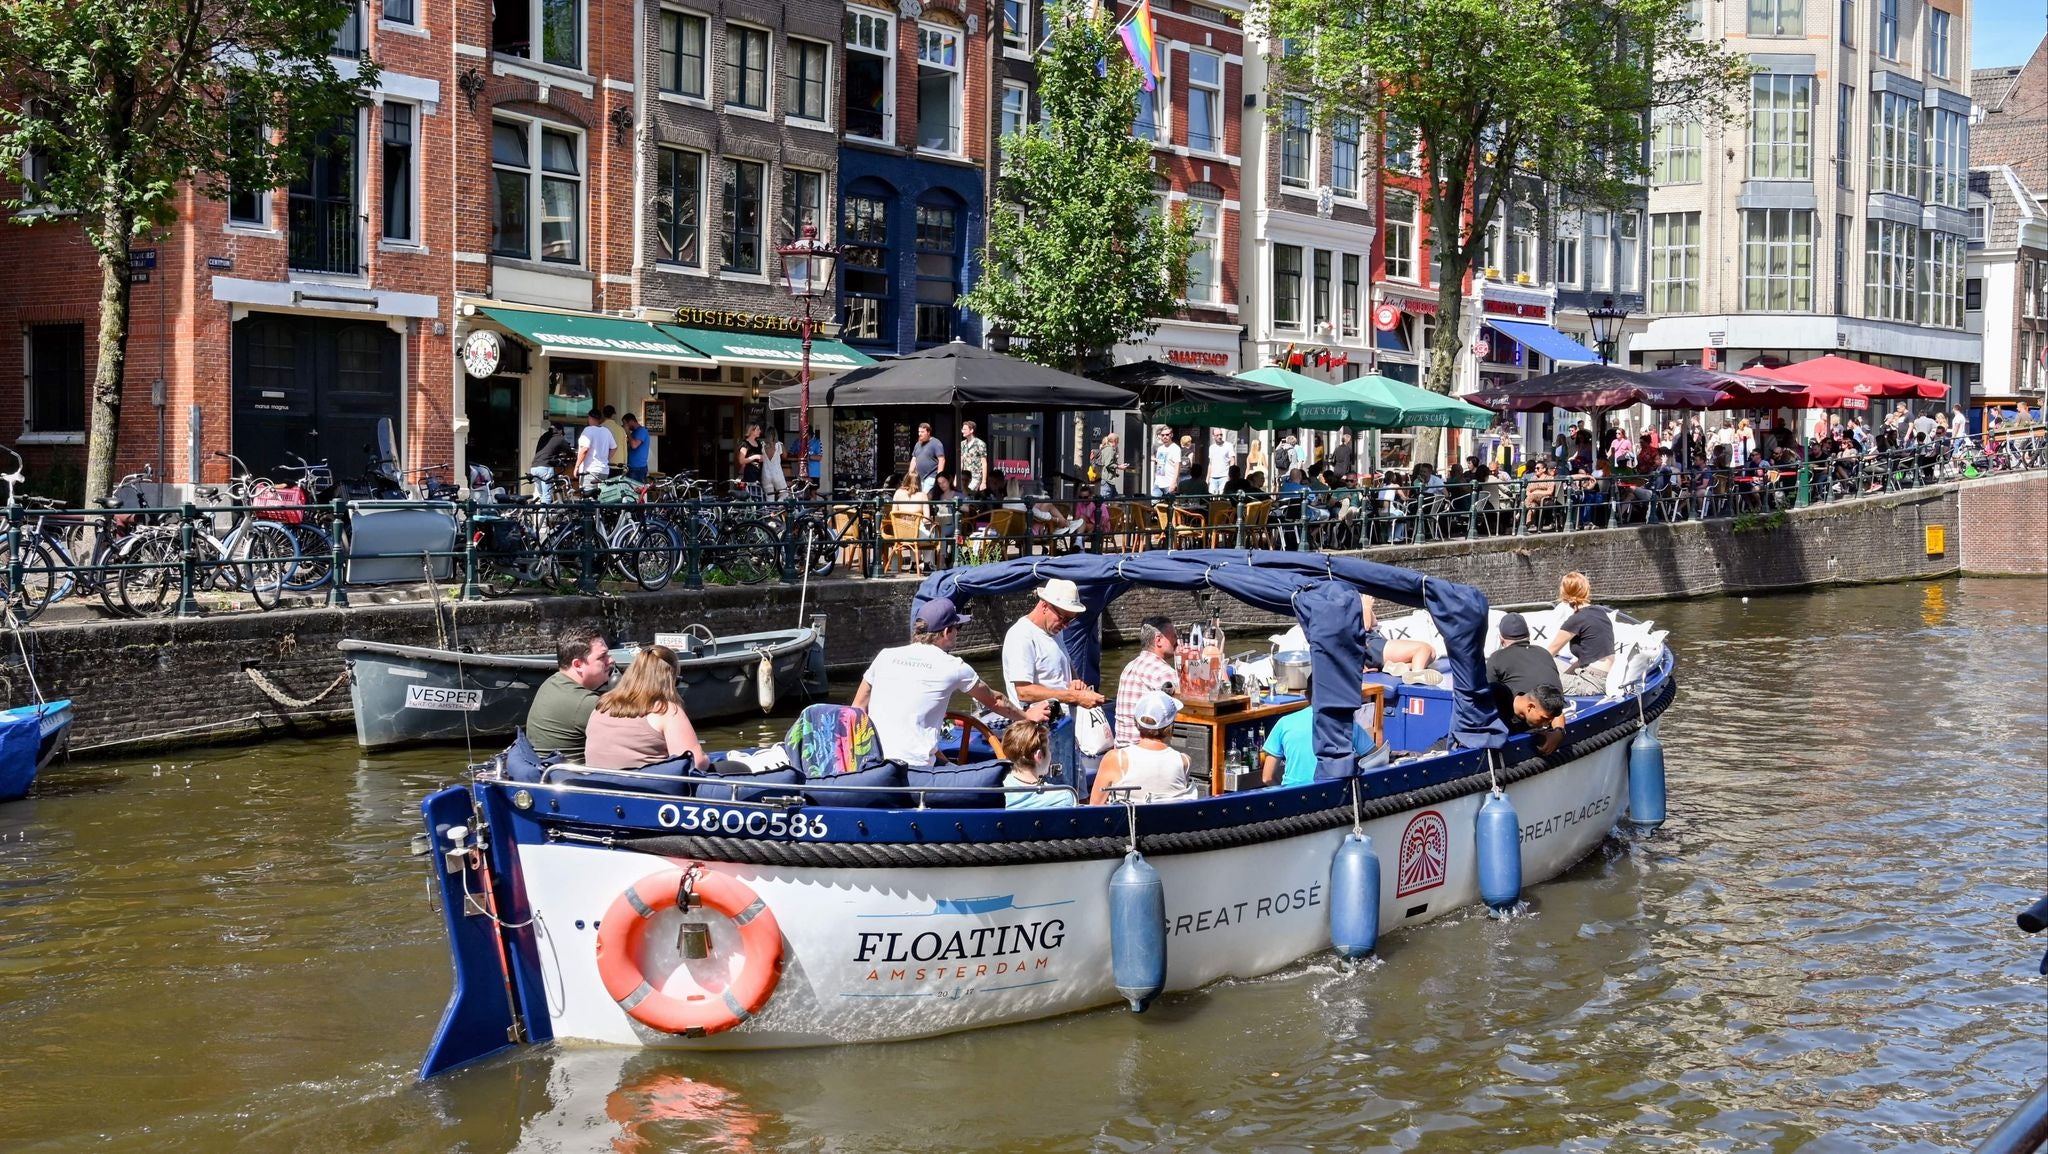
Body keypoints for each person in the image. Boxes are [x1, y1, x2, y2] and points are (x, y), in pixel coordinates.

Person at [851, 598, 1048, 768]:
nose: (958, 633)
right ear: (946, 632)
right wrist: (1026, 716)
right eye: (958, 628)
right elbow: (995, 701)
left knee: (948, 764)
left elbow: (857, 709)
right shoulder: (953, 666)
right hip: (915, 770)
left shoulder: (885, 656)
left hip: (872, 762)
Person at [583, 645, 708, 770]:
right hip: (647, 787)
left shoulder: (601, 706)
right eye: (676, 681)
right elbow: (696, 764)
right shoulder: (665, 711)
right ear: (669, 680)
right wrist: (706, 759)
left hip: (598, 783)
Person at [1002, 579, 1106, 712]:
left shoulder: (1055, 631)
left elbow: (1066, 664)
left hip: (1062, 719)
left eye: (1071, 619)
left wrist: (1075, 681)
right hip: (1039, 726)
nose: (1066, 625)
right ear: (1045, 606)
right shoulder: (1021, 635)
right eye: (1063, 618)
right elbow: (1023, 692)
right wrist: (1074, 696)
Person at [1258, 676, 1378, 788]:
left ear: (1306, 695)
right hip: (1334, 796)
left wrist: (1284, 793)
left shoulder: (1283, 723)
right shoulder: (1347, 724)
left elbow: (1267, 778)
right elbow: (1376, 760)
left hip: (1293, 797)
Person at [1089, 691, 1196, 804]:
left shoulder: (1116, 759)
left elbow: (1095, 807)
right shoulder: (1184, 761)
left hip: (1127, 821)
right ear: (1171, 725)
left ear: (1136, 722)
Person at [525, 625, 614, 760]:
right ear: (578, 665)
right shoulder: (585, 703)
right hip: (576, 778)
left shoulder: (551, 683)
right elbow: (638, 734)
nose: (611, 660)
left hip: (547, 770)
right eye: (602, 657)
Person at [1486, 612, 1567, 754]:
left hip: (1521, 722)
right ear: (1529, 636)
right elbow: (1554, 704)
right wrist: (1559, 732)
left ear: (1501, 640)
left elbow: (1486, 697)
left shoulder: (1496, 658)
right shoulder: (1544, 653)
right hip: (1545, 716)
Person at [1112, 617, 1179, 747]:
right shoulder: (1162, 671)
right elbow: (1191, 700)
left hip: (1121, 748)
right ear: (1158, 640)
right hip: (1143, 751)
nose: (1177, 642)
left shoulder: (1130, 666)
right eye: (1174, 637)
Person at [1547, 570, 1616, 695]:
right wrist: (1568, 674)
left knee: (1537, 676)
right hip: (1606, 677)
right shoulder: (1600, 612)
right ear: (1586, 590)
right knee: (1554, 664)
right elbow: (1586, 657)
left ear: (1564, 594)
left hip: (1591, 682)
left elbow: (1548, 653)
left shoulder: (1576, 620)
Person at [1361, 594, 1438, 681]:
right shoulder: (1347, 603)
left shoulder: (1354, 601)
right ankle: (1416, 676)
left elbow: (1374, 623)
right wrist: (1366, 607)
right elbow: (1365, 627)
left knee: (1431, 654)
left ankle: (1401, 667)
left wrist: (1368, 608)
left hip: (1374, 645)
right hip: (1373, 647)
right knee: (1423, 649)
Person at [998, 720, 1073, 808]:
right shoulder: (1062, 797)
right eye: (1049, 749)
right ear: (1039, 756)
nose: (1050, 753)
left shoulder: (996, 789)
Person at [574, 409, 616, 491]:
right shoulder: (606, 431)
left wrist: (576, 466)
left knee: (588, 498)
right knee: (600, 498)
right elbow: (614, 447)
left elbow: (584, 449)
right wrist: (606, 460)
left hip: (590, 471)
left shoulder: (588, 430)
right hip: (604, 471)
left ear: (590, 418)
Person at [529, 422, 572, 502]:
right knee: (547, 496)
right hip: (545, 468)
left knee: (540, 495)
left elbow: (545, 451)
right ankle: (545, 514)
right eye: (562, 432)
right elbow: (570, 451)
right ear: (559, 431)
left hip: (534, 467)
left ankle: (539, 514)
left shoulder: (543, 437)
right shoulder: (559, 438)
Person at [912, 422, 947, 494]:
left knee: (924, 497)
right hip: (918, 478)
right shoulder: (917, 444)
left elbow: (942, 460)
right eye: (919, 432)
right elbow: (913, 460)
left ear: (928, 432)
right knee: (918, 497)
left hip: (931, 476)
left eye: (922, 432)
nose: (919, 434)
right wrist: (910, 474)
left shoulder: (936, 443)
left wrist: (939, 477)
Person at [959, 420, 989, 497]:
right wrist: (957, 477)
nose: (963, 431)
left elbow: (984, 462)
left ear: (971, 430)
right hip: (964, 476)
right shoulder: (962, 444)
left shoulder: (980, 444)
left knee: (969, 493)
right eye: (962, 429)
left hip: (975, 476)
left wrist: (984, 482)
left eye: (965, 429)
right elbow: (961, 461)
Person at [620, 412, 651, 482]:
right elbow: (628, 447)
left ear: (631, 421)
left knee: (636, 490)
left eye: (625, 423)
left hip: (638, 469)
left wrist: (627, 432)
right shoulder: (633, 433)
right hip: (631, 467)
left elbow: (634, 445)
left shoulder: (642, 431)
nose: (624, 426)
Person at [1151, 428, 1181, 497]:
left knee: (1170, 506)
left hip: (1169, 483)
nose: (1165, 437)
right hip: (1158, 483)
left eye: (1167, 435)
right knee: (1154, 504)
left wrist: (1174, 482)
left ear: (1171, 435)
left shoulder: (1175, 448)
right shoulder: (1160, 449)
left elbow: (1177, 466)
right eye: (1162, 435)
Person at [1205, 430, 1235, 495]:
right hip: (1213, 477)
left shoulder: (1228, 445)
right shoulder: (1211, 447)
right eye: (1217, 435)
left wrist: (1230, 475)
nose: (1220, 436)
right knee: (1212, 497)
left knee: (1223, 497)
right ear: (1213, 436)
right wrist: (1207, 478)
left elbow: (1232, 460)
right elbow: (1210, 463)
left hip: (1224, 476)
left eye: (1221, 435)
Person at [736, 423, 765, 490]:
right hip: (749, 473)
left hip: (759, 472)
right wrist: (755, 457)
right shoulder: (745, 444)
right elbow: (741, 460)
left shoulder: (758, 443)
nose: (760, 431)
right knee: (752, 494)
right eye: (758, 429)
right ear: (751, 431)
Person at [601, 406, 628, 473]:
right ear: (613, 415)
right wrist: (625, 466)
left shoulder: (600, 428)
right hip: (618, 464)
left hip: (603, 465)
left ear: (603, 414)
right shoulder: (621, 430)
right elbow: (625, 449)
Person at [762, 435, 789, 499]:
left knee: (769, 497)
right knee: (784, 494)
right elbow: (785, 456)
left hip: (766, 474)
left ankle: (771, 508)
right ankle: (779, 507)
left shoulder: (762, 445)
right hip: (777, 474)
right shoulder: (779, 445)